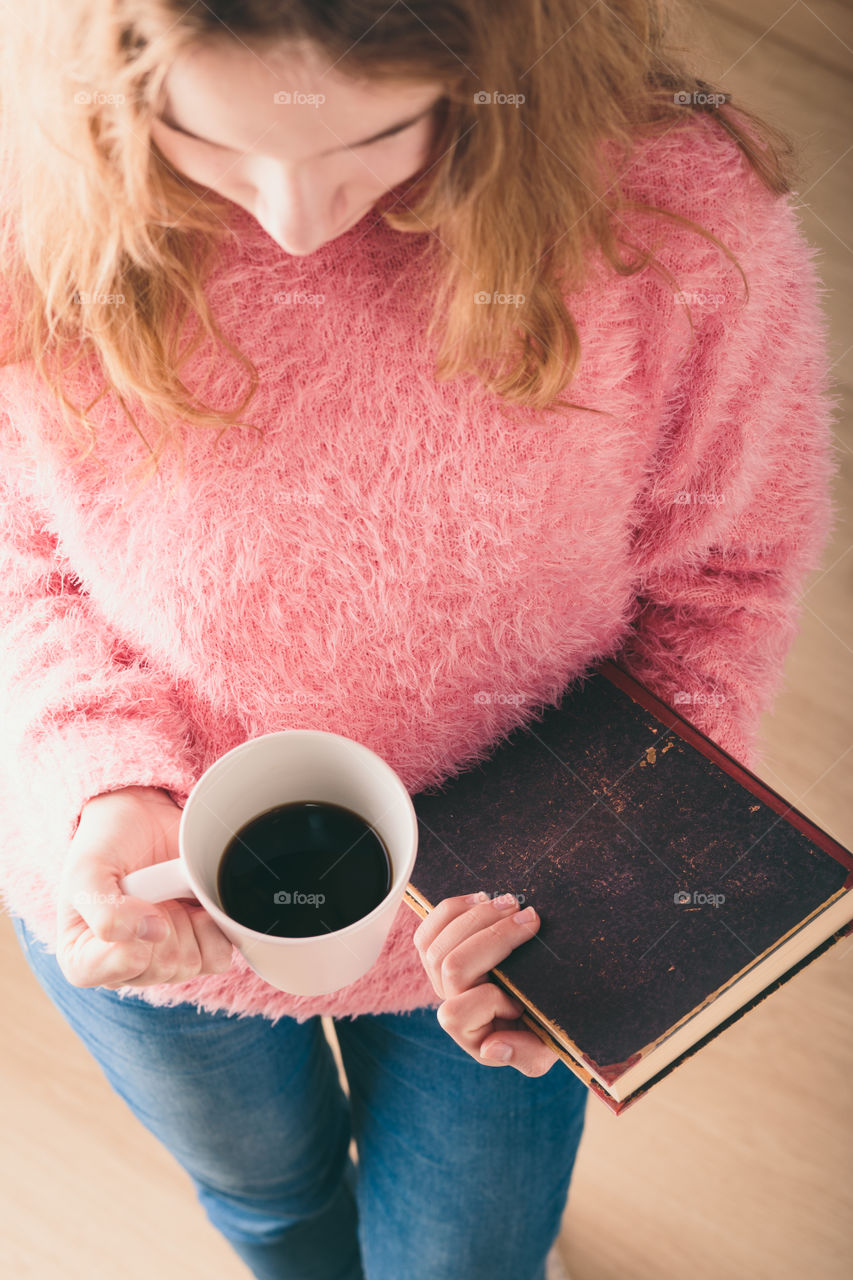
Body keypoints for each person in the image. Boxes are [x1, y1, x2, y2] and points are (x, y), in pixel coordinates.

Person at [0, 3, 837, 1278]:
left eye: (378, 135)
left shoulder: (670, 220)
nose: (290, 220)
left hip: (507, 928)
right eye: (202, 139)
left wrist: (603, 902)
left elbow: (723, 583)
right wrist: (96, 780)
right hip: (153, 910)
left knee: (466, 1261)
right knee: (269, 1213)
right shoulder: (33, 192)